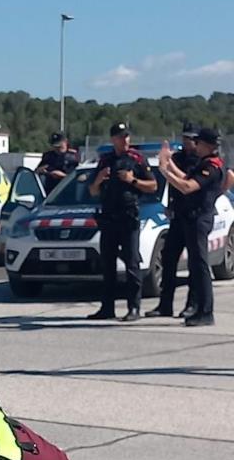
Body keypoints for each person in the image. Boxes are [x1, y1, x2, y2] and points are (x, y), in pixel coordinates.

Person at [87, 122, 157, 321]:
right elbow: (92, 191)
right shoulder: (105, 161)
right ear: (113, 139)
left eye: (127, 136)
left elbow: (153, 186)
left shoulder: (137, 159)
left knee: (132, 264)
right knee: (107, 265)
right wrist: (99, 178)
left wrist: (132, 180)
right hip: (109, 218)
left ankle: (134, 308)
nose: (125, 140)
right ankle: (107, 308)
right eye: (120, 136)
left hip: (128, 218)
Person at [159, 127, 224, 327]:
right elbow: (186, 178)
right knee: (195, 265)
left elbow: (187, 187)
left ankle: (205, 311)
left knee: (200, 266)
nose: (196, 145)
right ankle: (200, 310)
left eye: (199, 142)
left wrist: (163, 171)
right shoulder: (204, 163)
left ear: (207, 145)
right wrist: (169, 163)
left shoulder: (211, 166)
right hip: (191, 218)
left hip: (199, 219)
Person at [146, 122, 199, 318]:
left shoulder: (198, 160)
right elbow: (170, 181)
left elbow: (186, 179)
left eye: (191, 139)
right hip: (177, 216)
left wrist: (169, 164)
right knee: (168, 260)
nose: (187, 142)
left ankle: (192, 304)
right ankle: (165, 304)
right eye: (185, 138)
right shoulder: (178, 157)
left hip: (193, 216)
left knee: (194, 263)